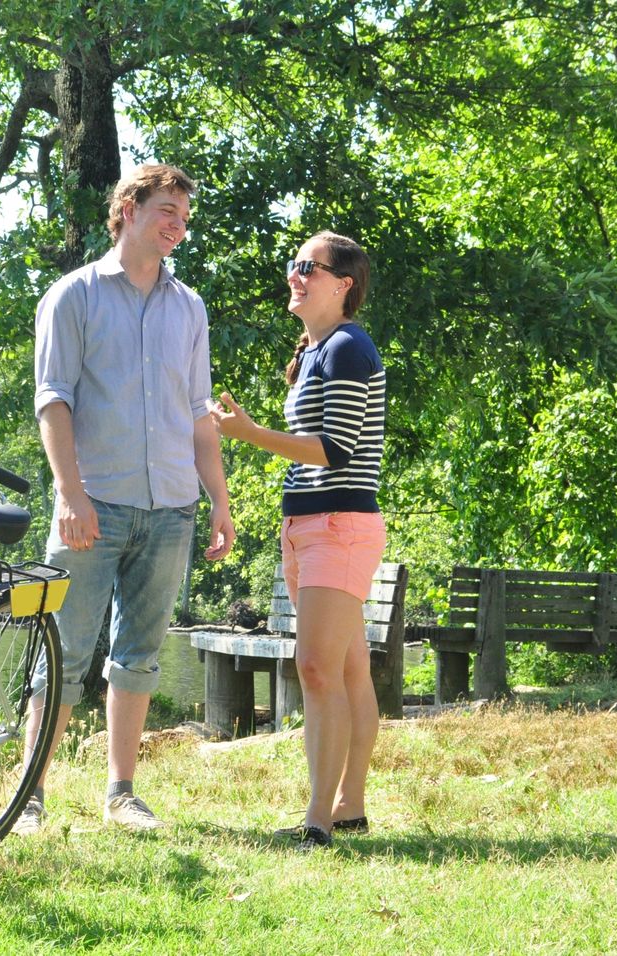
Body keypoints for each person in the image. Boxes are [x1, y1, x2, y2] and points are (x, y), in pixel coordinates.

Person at [15, 163, 236, 834]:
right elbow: (52, 401)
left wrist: (219, 505)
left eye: (185, 217)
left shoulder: (189, 307)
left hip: (170, 508)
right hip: (93, 506)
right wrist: (69, 494)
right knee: (62, 652)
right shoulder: (73, 296)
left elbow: (199, 416)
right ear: (130, 209)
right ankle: (29, 796)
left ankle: (121, 793)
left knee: (138, 653)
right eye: (167, 210)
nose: (177, 225)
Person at [211, 231, 385, 852]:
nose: (295, 274)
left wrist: (249, 433)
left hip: (338, 524)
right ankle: (349, 807)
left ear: (343, 284)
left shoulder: (346, 347)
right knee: (344, 669)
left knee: (316, 669)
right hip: (311, 525)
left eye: (308, 267)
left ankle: (316, 819)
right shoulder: (315, 350)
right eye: (294, 264)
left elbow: (334, 451)